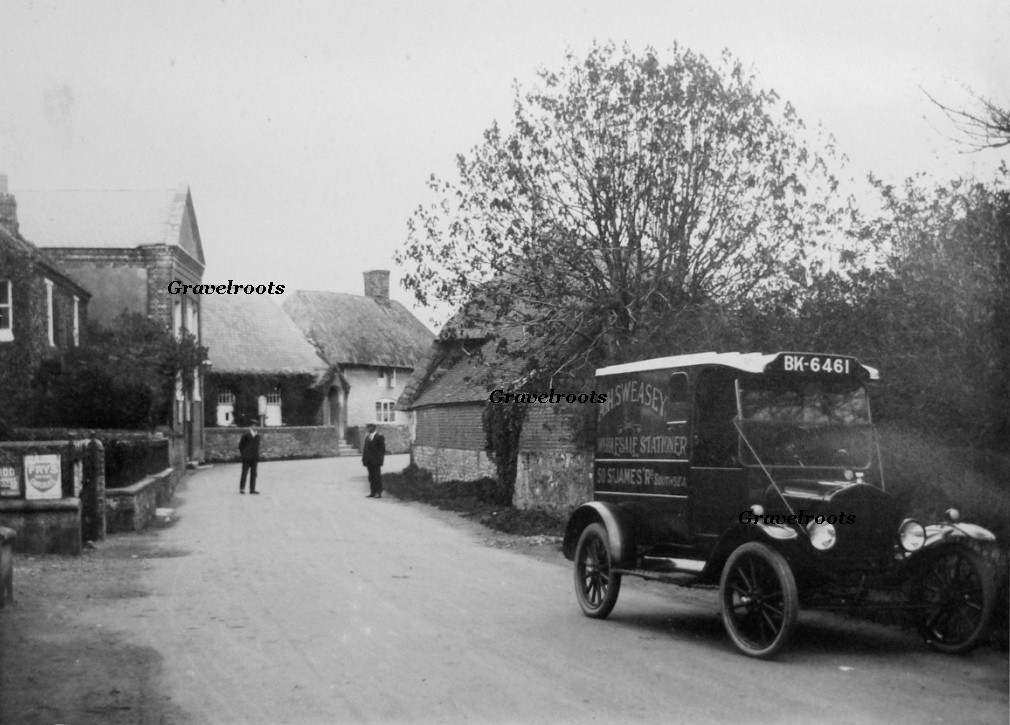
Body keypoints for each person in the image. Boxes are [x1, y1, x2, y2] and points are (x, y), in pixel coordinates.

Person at [362, 423, 386, 498]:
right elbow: (365, 450)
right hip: (369, 461)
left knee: (377, 477)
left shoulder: (379, 437)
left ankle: (379, 492)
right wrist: (364, 459)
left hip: (376, 461)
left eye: (370, 427)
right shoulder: (367, 437)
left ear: (374, 428)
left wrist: (380, 461)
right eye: (367, 427)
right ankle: (372, 492)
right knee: (371, 477)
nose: (368, 429)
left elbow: (382, 450)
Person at [238, 419, 261, 494]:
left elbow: (257, 447)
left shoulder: (257, 436)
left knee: (254, 474)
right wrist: (244, 454)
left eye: (256, 426)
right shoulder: (246, 435)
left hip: (254, 458)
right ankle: (242, 488)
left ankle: (252, 489)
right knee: (244, 473)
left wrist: (257, 455)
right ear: (251, 426)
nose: (255, 427)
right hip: (246, 458)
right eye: (253, 426)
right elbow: (240, 446)